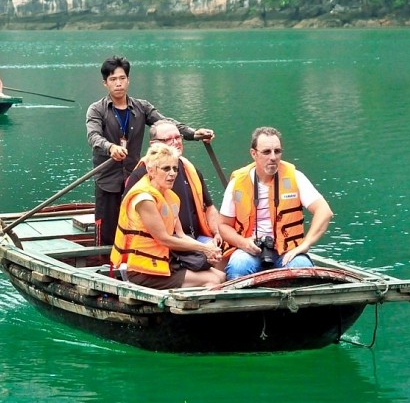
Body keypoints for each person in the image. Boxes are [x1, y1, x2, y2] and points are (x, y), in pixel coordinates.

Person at [86, 55, 214, 247]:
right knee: (107, 231)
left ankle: (134, 265)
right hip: (108, 180)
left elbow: (167, 124)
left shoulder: (141, 107)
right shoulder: (97, 110)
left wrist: (194, 134)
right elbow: (94, 137)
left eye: (122, 78)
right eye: (113, 80)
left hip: (135, 177)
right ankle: (105, 267)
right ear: (105, 83)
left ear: (128, 80)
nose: (118, 84)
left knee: (138, 225)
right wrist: (110, 147)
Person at [218, 126, 334, 280]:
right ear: (254, 153)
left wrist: (305, 244)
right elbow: (224, 226)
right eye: (266, 152)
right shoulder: (238, 183)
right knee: (238, 266)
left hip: (287, 251)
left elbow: (324, 212)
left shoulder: (295, 177)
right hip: (251, 250)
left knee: (301, 268)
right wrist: (243, 243)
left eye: (277, 151)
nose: (273, 157)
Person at [110, 143, 224, 289]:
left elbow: (181, 235)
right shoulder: (144, 199)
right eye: (166, 168)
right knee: (212, 281)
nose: (172, 173)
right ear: (151, 171)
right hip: (142, 270)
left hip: (167, 261)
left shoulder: (170, 197)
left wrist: (208, 249)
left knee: (221, 276)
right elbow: (164, 239)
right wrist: (204, 249)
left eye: (175, 168)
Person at [124, 120, 223, 249]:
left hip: (194, 238)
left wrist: (217, 233)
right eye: (168, 139)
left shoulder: (190, 170)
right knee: (208, 255)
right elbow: (132, 220)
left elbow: (209, 207)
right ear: (154, 144)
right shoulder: (140, 175)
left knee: (223, 250)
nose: (175, 142)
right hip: (160, 245)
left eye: (178, 137)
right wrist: (202, 249)